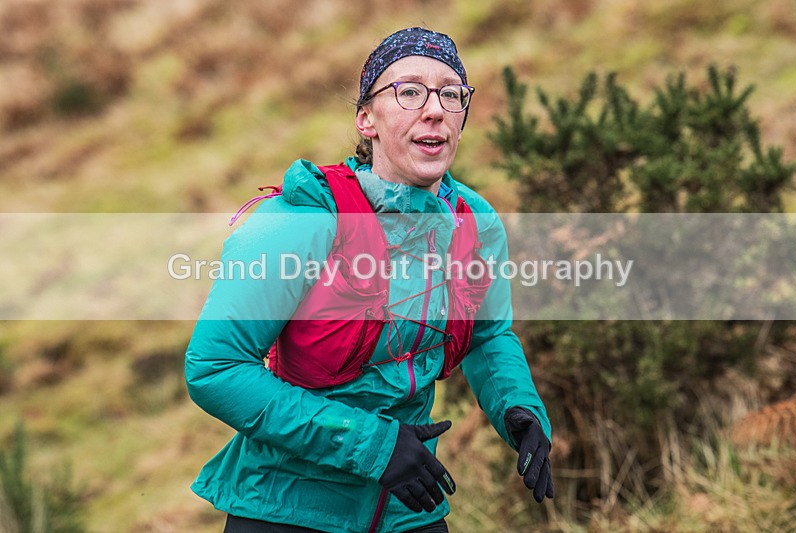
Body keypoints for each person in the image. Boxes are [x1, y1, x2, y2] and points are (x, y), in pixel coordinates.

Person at [185, 27, 553, 533]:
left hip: (409, 509)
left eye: (451, 94)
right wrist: (373, 445)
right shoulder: (299, 223)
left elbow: (488, 334)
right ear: (367, 119)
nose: (435, 109)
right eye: (408, 92)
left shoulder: (474, 222)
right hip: (285, 509)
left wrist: (519, 409)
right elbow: (215, 368)